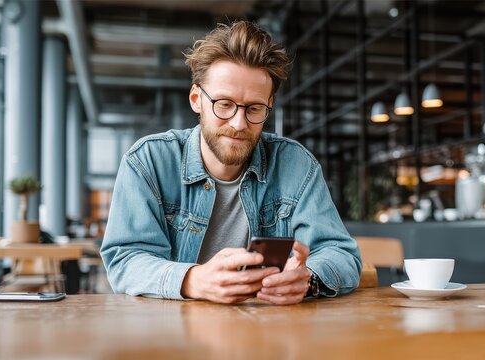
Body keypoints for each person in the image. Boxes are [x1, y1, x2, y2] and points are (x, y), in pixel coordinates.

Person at [100, 21, 362, 305]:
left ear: (269, 106)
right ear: (196, 99)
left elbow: (342, 254)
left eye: (254, 108)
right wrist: (193, 280)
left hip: (266, 334)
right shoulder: (148, 162)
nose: (239, 123)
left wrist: (308, 279)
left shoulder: (296, 164)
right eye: (224, 104)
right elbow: (125, 260)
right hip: (172, 336)